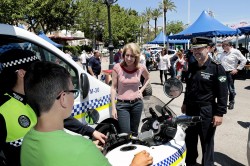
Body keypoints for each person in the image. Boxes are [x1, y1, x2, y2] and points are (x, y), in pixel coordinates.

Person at [21, 61, 153, 166]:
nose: (74, 96)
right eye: (73, 92)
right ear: (63, 98)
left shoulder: (27, 141)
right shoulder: (81, 148)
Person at [0, 49, 106, 166]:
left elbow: (55, 116)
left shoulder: (33, 97)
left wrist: (90, 131)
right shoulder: (3, 108)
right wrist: (83, 151)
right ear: (21, 73)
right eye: (34, 69)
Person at [181, 37, 228, 166]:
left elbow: (223, 93)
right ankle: (190, 163)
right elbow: (189, 87)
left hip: (206, 111)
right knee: (190, 140)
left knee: (206, 142)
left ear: (208, 49)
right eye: (194, 49)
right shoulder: (192, 66)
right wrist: (185, 102)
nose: (196, 52)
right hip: (191, 110)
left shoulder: (217, 68)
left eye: (199, 48)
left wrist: (220, 113)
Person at [111, 43, 150, 135]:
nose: (129, 58)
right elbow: (113, 88)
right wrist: (113, 108)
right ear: (123, 55)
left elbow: (147, 78)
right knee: (125, 134)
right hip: (122, 105)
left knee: (134, 132)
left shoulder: (141, 67)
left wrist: (141, 90)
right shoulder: (117, 68)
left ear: (136, 57)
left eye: (132, 56)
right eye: (127, 55)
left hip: (137, 104)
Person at [219, 40, 247, 110]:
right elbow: (220, 61)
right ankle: (223, 103)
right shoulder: (223, 53)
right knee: (223, 88)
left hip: (230, 73)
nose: (222, 47)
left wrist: (237, 69)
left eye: (224, 45)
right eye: (222, 46)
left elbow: (244, 60)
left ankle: (231, 102)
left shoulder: (235, 51)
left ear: (229, 45)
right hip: (222, 73)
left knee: (230, 89)